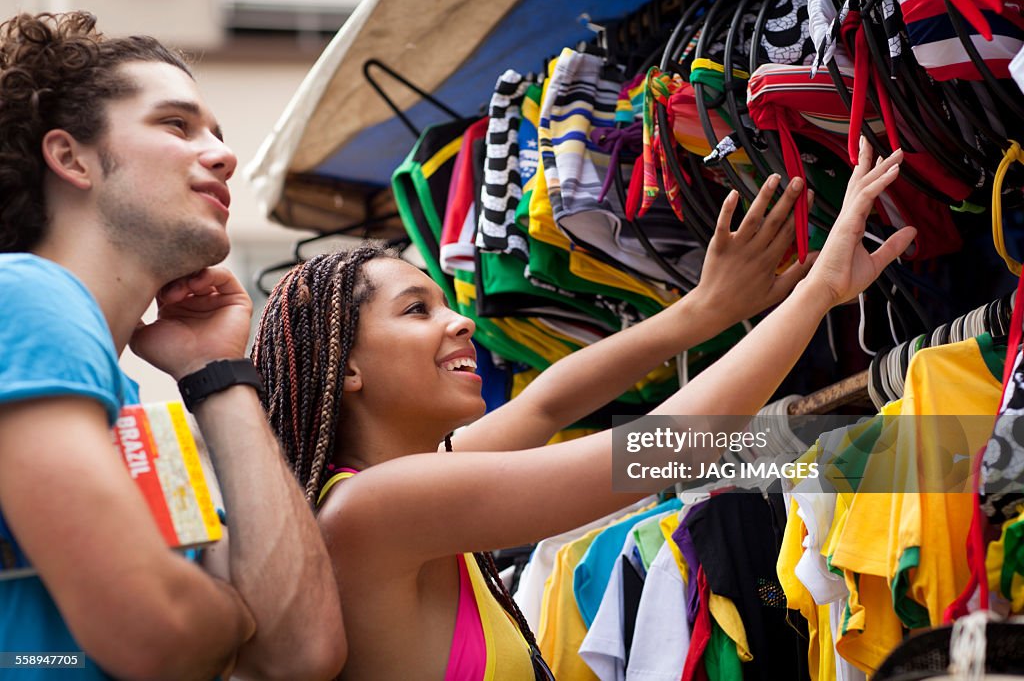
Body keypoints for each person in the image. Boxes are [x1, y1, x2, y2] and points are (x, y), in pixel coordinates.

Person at [252, 132, 914, 680]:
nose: (460, 324)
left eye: (447, 304)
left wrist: (703, 312)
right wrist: (820, 289)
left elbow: (547, 404)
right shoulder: (378, 505)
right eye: (416, 310)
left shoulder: (395, 486)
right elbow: (663, 446)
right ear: (347, 370)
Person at [0, 11, 344, 680]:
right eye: (176, 125)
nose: (223, 153)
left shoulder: (125, 408)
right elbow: (155, 632)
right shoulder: (26, 295)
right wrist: (232, 614)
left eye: (216, 132)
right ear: (70, 157)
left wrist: (218, 374)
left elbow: (301, 653)